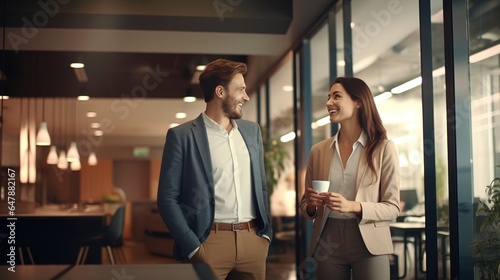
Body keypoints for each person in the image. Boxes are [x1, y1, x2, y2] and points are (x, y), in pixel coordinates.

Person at [157, 59, 272, 280]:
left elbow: (262, 186)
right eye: (240, 90)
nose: (246, 97)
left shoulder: (252, 131)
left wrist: (265, 236)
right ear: (220, 91)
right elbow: (167, 198)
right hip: (209, 242)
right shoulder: (182, 136)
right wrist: (193, 247)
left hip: (254, 242)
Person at [300, 77, 400, 280]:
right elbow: (306, 208)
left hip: (369, 240)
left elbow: (393, 208)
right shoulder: (318, 151)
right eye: (328, 97)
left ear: (358, 102)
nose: (329, 102)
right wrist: (311, 205)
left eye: (337, 96)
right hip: (327, 240)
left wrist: (353, 206)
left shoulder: (383, 148)